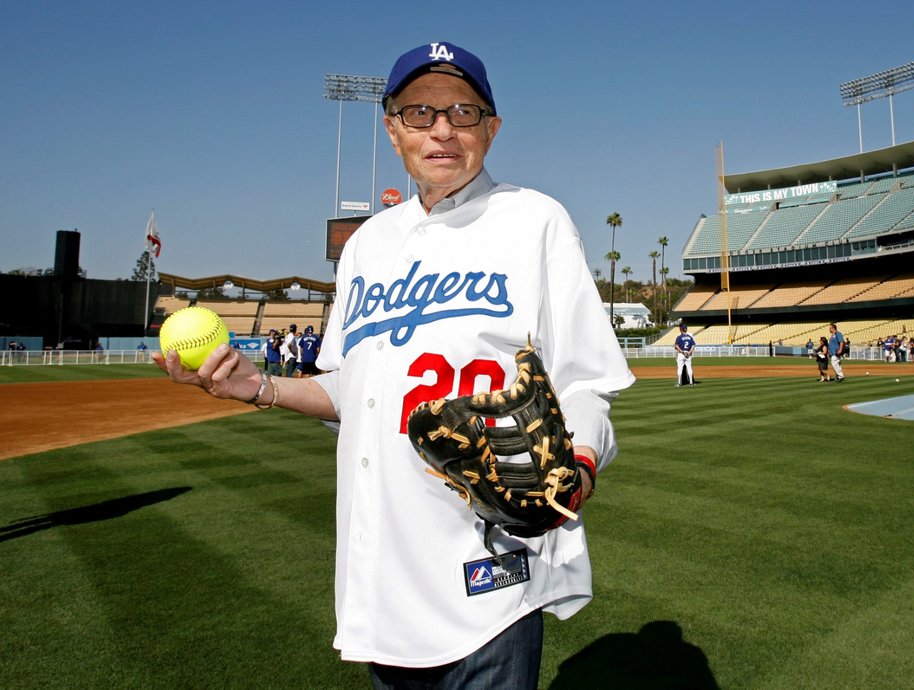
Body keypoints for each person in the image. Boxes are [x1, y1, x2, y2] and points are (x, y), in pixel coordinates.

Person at [154, 40, 634, 689]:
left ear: (492, 128)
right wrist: (260, 386)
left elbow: (584, 381)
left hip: (489, 572)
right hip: (382, 583)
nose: (442, 129)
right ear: (392, 128)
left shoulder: (535, 221)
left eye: (463, 112)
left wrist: (573, 470)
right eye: (420, 112)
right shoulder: (368, 246)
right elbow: (356, 393)